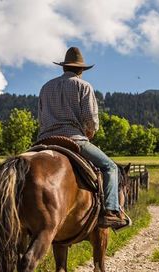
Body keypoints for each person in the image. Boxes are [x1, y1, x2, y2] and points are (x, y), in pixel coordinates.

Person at [36, 46, 130, 230]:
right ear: (80, 70)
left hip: (44, 140)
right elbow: (90, 119)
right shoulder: (84, 86)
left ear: (63, 67)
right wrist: (90, 132)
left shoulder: (46, 87)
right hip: (74, 139)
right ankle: (110, 212)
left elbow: (40, 118)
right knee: (110, 167)